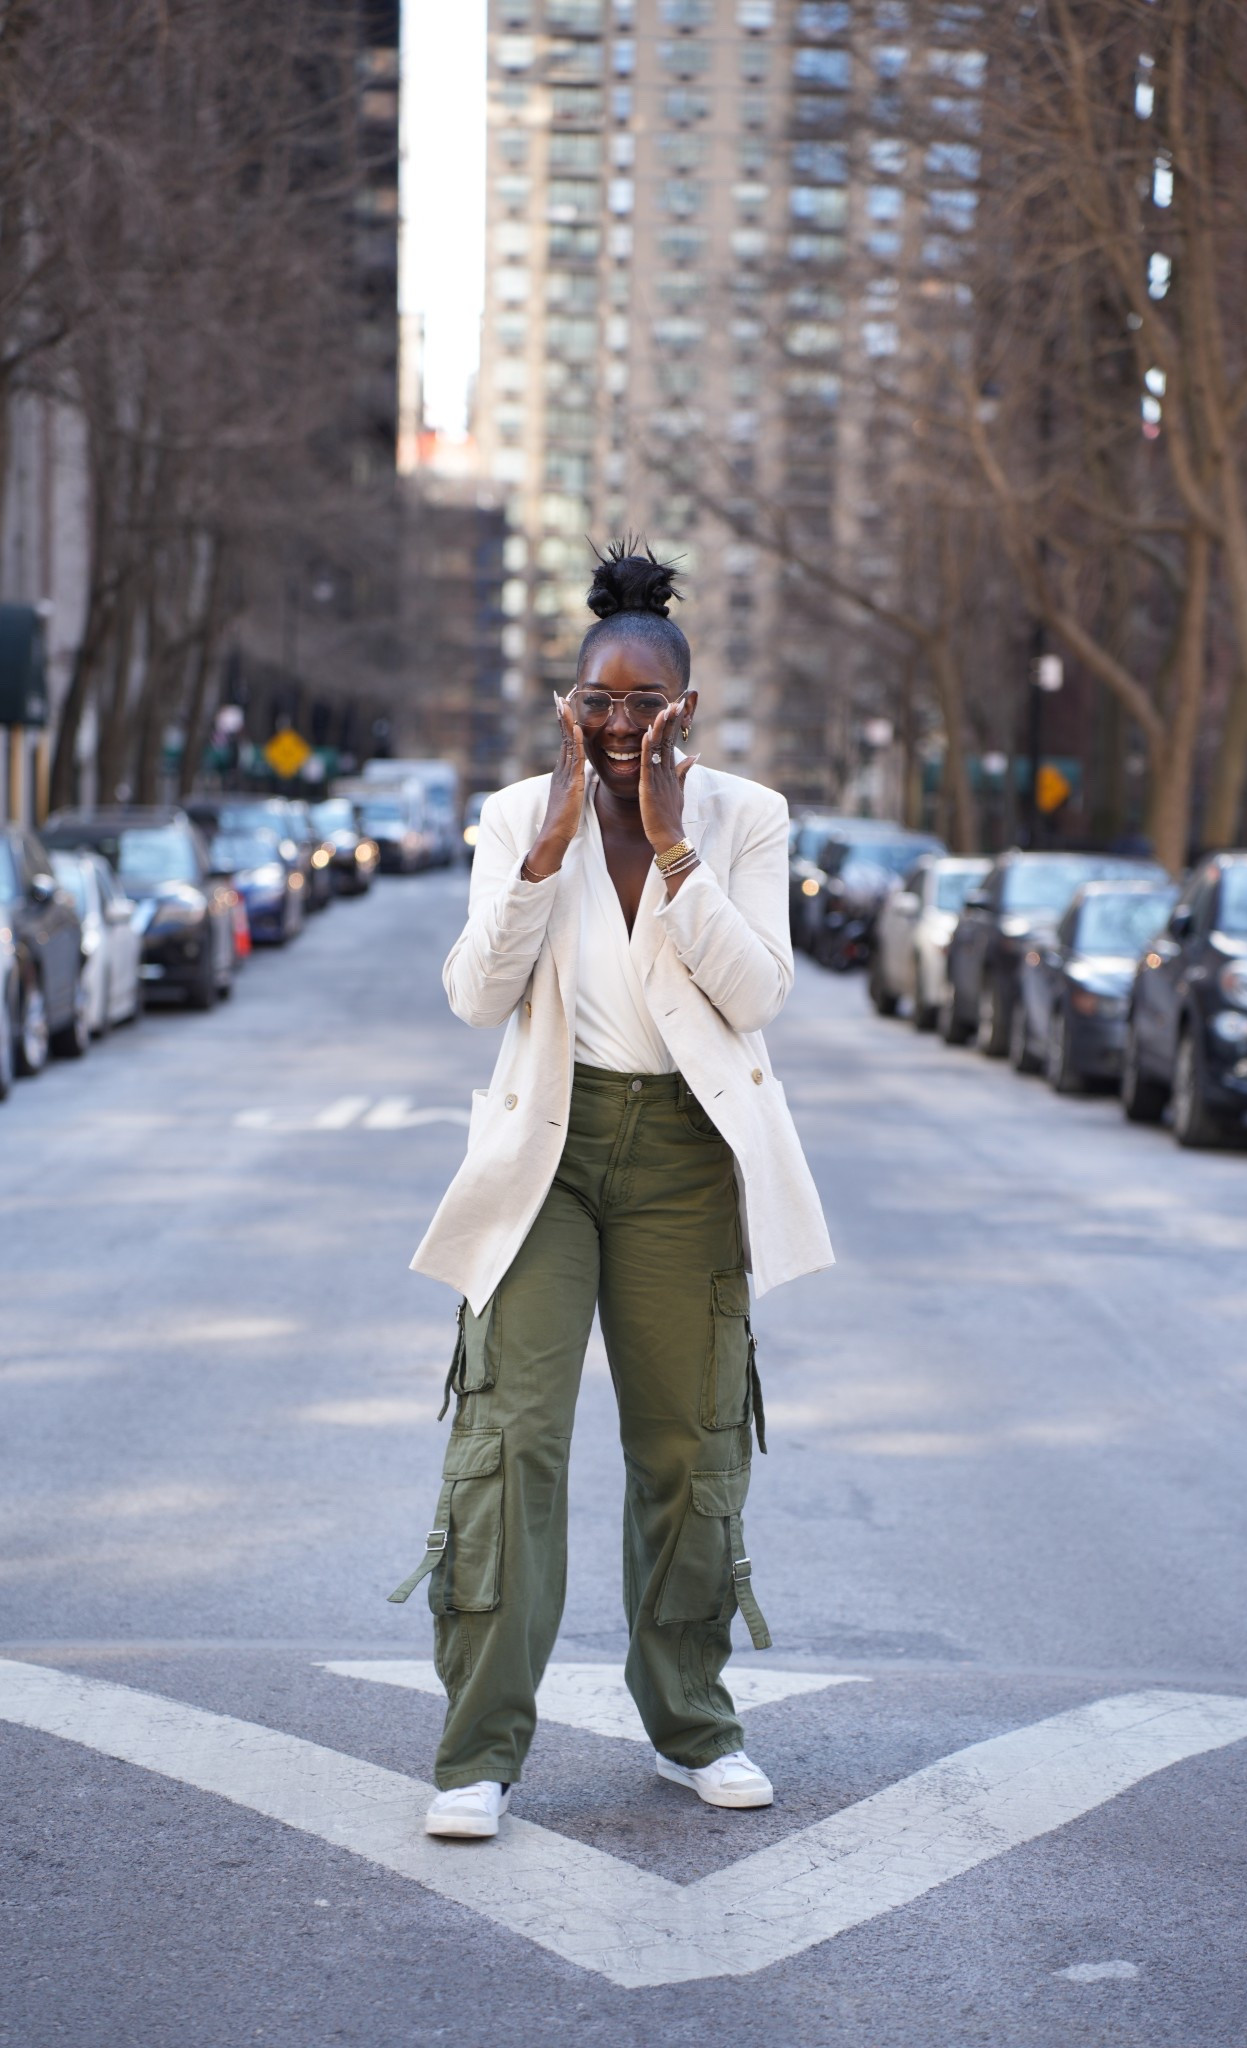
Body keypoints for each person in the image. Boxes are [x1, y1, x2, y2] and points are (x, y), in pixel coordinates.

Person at [391, 541, 833, 1839]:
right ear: (567, 705)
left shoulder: (743, 817)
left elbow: (756, 997)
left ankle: (691, 1721)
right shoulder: (514, 814)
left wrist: (669, 849)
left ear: (686, 709)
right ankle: (477, 1750)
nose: (623, 724)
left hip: (688, 1158)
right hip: (547, 1149)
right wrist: (545, 853)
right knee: (507, 1438)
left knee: (687, 1446)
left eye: (648, 704)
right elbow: (475, 996)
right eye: (600, 703)